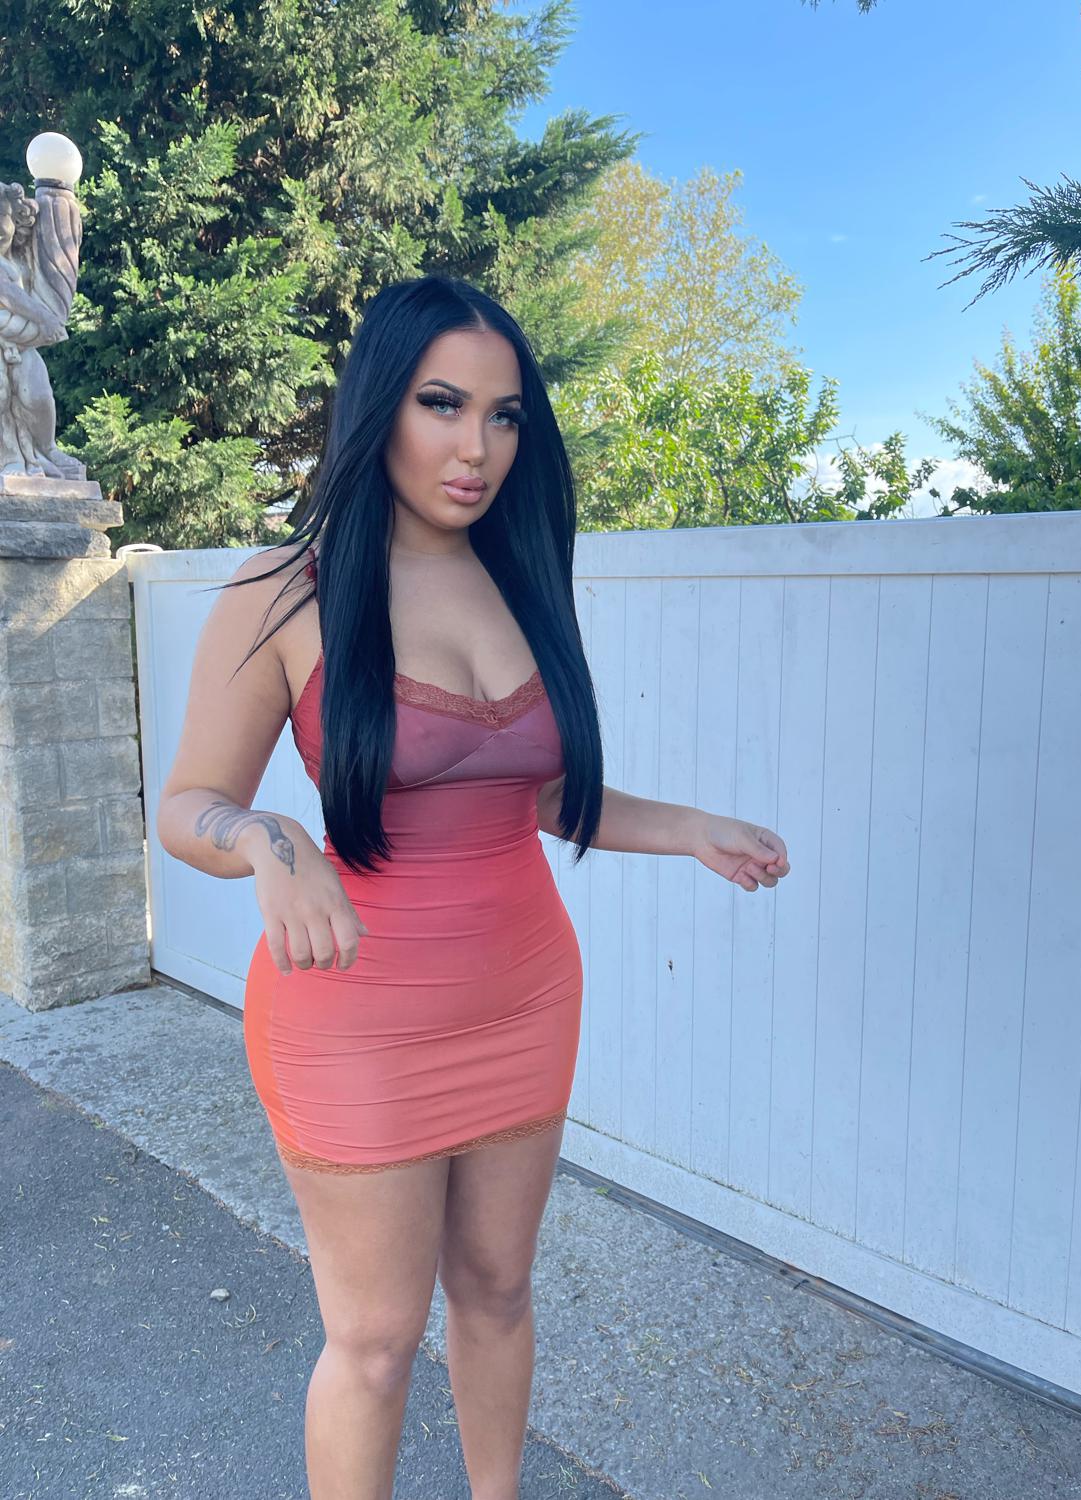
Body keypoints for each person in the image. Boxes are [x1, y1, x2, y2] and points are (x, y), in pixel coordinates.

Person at [156, 273, 789, 1500]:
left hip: (523, 995)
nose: (477, 447)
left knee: (497, 1290)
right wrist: (268, 838)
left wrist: (691, 828)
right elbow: (189, 804)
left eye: (505, 416)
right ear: (379, 404)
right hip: (354, 1015)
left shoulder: (522, 572)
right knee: (376, 1340)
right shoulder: (283, 589)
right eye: (443, 404)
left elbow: (539, 796)